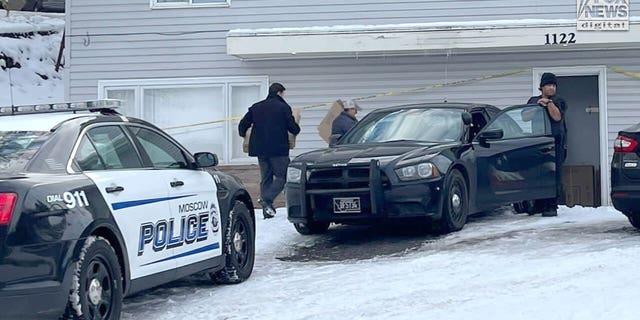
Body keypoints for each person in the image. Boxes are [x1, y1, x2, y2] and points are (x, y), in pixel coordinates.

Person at [239, 83, 301, 219]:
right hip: (278, 149)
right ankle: (267, 199)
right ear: (279, 93)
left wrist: (244, 134)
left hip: (260, 149)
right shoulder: (283, 107)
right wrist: (296, 129)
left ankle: (267, 211)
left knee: (266, 177)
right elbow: (292, 127)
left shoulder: (256, 107)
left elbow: (242, 124)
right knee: (282, 176)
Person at [527, 72, 568, 217]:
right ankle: (537, 204)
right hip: (537, 143)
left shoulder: (559, 101)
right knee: (537, 173)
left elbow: (557, 117)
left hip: (555, 144)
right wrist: (537, 106)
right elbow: (525, 117)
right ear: (542, 87)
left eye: (553, 85)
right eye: (549, 85)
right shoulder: (533, 101)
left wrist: (549, 103)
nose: (551, 88)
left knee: (553, 174)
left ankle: (551, 205)